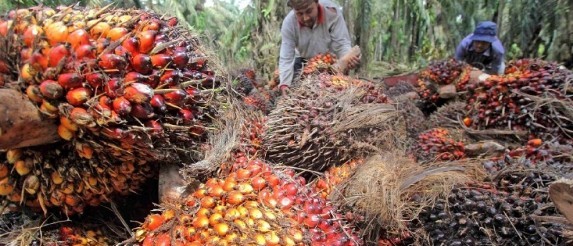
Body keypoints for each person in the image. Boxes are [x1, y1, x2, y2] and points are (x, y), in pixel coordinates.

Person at [278, 0, 360, 96]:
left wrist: (348, 60)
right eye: (299, 13)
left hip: (330, 62)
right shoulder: (289, 23)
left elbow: (342, 44)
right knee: (298, 91)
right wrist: (284, 84)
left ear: (317, 3)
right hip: (304, 63)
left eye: (309, 11)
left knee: (336, 92)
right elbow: (286, 57)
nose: (306, 18)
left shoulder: (332, 13)